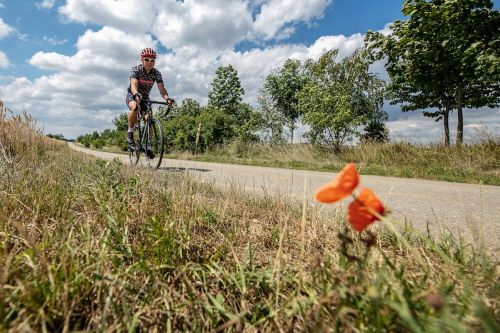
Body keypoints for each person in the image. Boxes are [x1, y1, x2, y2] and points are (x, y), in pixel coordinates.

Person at [126, 47, 173, 158]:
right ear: (142, 60)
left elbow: (162, 89)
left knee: (149, 120)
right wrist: (136, 94)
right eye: (147, 59)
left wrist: (167, 98)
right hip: (133, 95)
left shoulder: (156, 73)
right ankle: (130, 132)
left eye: (152, 60)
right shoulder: (136, 69)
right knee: (135, 107)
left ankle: (148, 147)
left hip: (145, 98)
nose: (150, 62)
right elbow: (134, 84)